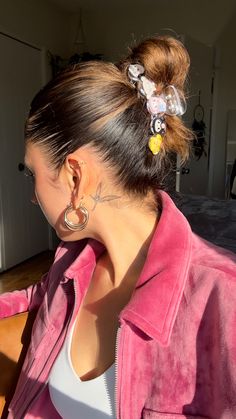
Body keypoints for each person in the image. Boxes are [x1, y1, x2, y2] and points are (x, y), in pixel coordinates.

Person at [0, 35, 236, 419]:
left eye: (33, 175)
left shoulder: (224, 302)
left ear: (76, 178)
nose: (32, 196)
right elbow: (32, 297)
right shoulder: (71, 263)